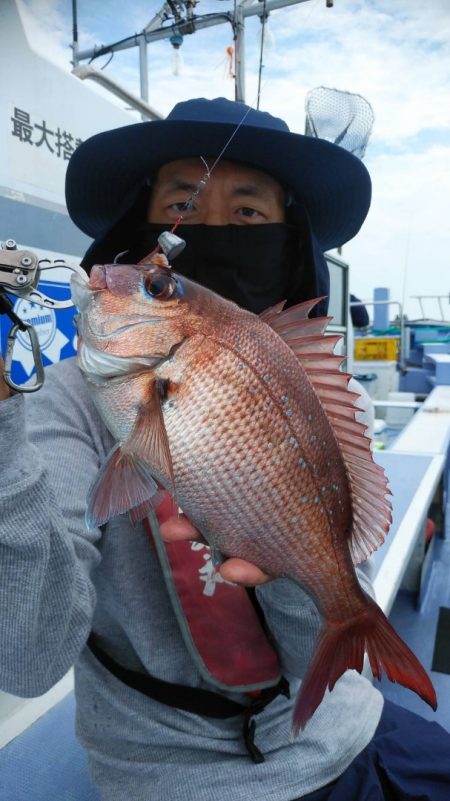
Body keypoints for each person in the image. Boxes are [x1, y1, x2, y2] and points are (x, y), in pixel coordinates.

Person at [0, 97, 449, 801]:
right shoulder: (62, 400)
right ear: (141, 231)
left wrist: (297, 576)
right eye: (184, 203)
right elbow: (28, 660)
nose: (212, 228)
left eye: (247, 213)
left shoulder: (329, 396)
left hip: (345, 728)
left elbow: (316, 665)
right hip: (168, 777)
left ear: (287, 238)